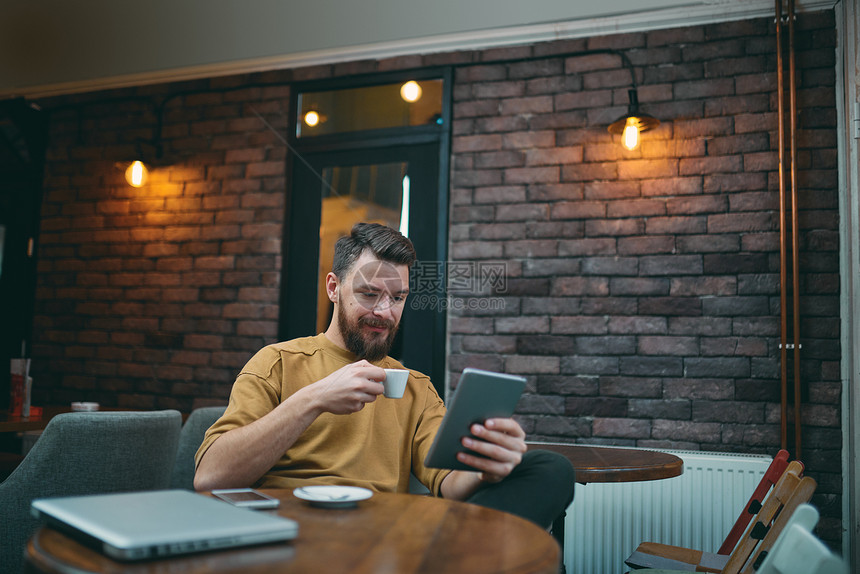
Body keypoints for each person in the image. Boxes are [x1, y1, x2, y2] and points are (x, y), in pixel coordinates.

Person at [194, 222, 574, 528]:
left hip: (383, 536)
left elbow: (449, 483)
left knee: (550, 468)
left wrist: (486, 469)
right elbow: (210, 477)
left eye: (397, 298)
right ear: (334, 288)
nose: (385, 311)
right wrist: (313, 399)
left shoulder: (415, 387)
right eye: (369, 293)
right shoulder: (277, 362)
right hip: (291, 531)